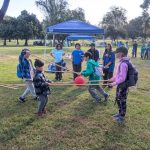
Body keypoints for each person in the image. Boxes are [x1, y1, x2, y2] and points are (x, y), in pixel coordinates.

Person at [108, 47, 130, 123]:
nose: (115, 54)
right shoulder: (121, 62)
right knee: (118, 99)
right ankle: (120, 113)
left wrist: (114, 83)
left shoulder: (124, 64)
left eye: (116, 53)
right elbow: (118, 75)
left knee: (122, 101)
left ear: (121, 53)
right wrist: (112, 79)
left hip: (123, 86)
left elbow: (122, 78)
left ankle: (122, 117)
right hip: (120, 85)